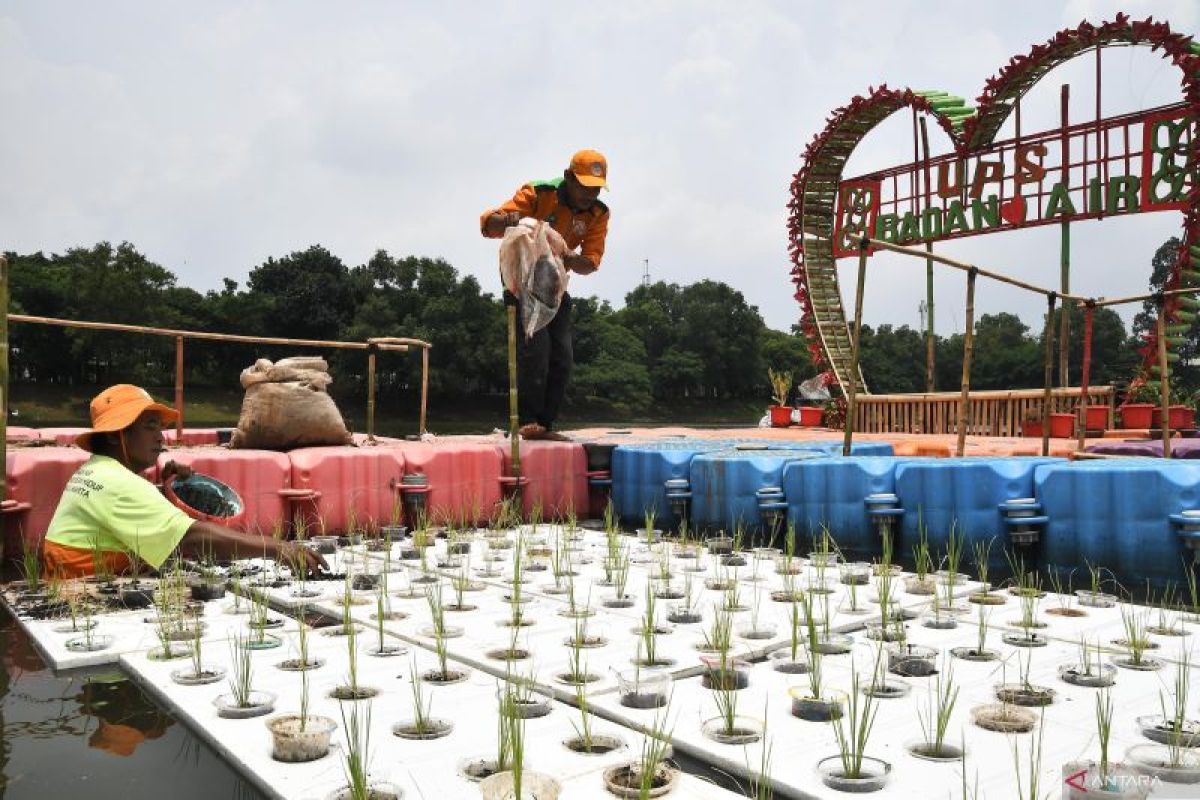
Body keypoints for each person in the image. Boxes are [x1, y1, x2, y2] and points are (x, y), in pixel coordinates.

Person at [41, 384, 326, 578]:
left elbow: (124, 511)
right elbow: (191, 537)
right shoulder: (119, 483)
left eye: (160, 428)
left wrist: (163, 487)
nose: (160, 438)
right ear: (117, 435)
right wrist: (278, 548)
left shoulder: (96, 470)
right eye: (149, 427)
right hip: (84, 594)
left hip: (67, 584)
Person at [480, 149, 611, 440]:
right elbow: (488, 223)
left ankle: (546, 423)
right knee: (533, 348)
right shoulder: (540, 193)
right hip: (521, 279)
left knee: (562, 355)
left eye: (596, 188)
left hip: (553, 283)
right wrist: (507, 220)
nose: (589, 194)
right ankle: (526, 420)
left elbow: (590, 262)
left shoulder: (598, 213)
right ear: (568, 177)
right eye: (584, 186)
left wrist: (565, 254)